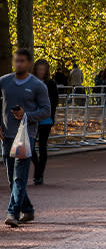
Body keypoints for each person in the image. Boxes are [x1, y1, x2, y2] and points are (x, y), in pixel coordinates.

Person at [2, 48, 51, 227]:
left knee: (19, 177)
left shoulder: (38, 86)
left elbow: (46, 110)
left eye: (22, 61)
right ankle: (28, 209)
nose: (18, 64)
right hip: (7, 135)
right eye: (16, 61)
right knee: (11, 176)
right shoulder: (5, 81)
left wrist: (26, 115)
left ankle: (12, 213)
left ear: (29, 63)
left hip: (25, 135)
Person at [30, 59, 57, 186]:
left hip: (45, 119)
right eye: (39, 69)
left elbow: (54, 102)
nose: (41, 72)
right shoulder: (30, 82)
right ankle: (38, 167)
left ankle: (39, 175)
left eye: (43, 69)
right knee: (30, 147)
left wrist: (52, 117)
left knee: (42, 147)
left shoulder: (51, 84)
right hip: (32, 119)